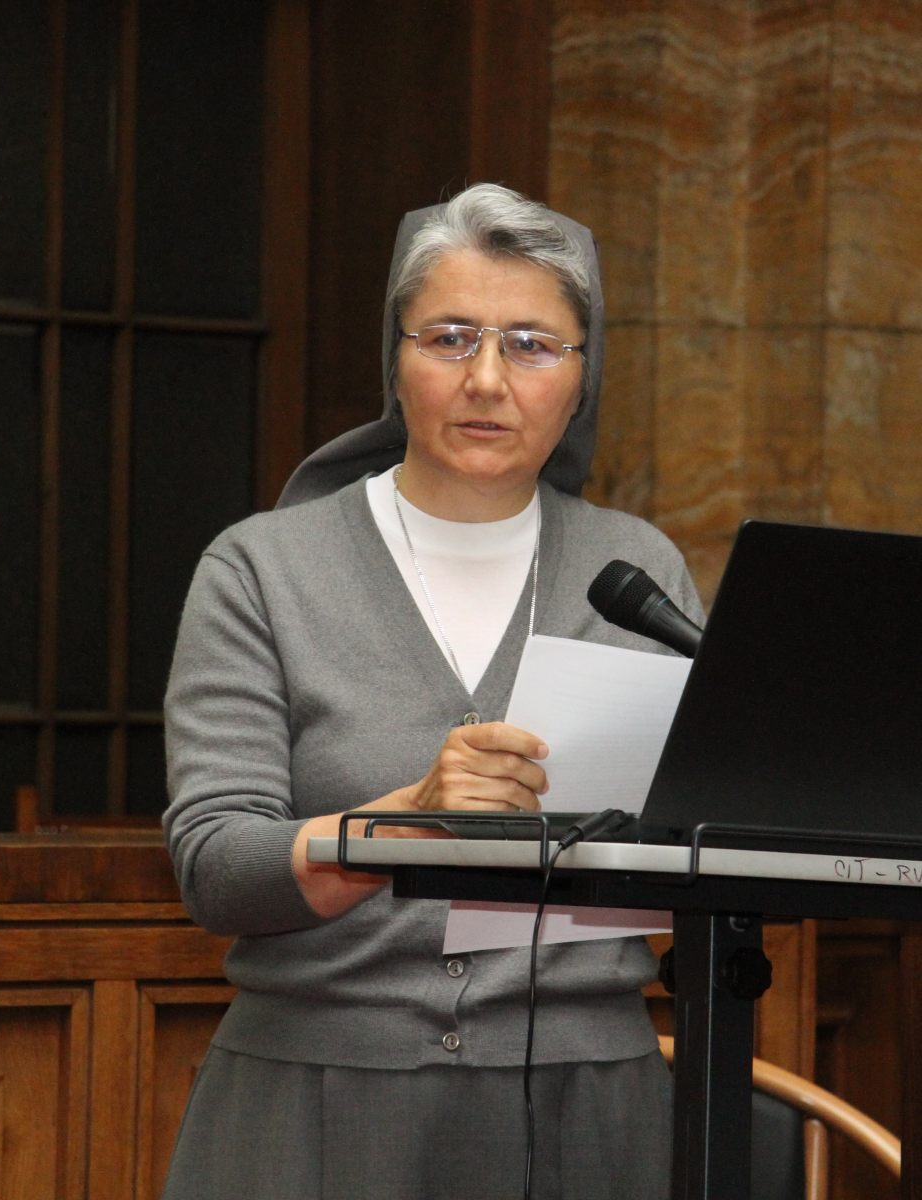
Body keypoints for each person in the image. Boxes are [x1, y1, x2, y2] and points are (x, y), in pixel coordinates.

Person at [161, 183, 704, 1200]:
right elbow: (217, 870)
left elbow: (692, 858)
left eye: (533, 345)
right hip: (315, 1099)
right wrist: (410, 820)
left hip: (589, 1107)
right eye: (449, 338)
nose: (487, 379)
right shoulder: (263, 570)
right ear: (395, 361)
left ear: (581, 378)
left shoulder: (639, 572)